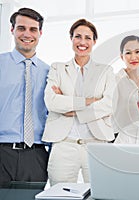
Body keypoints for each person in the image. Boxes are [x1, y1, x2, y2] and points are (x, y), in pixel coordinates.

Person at [42, 19, 115, 185]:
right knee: (60, 194)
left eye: (88, 38)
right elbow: (52, 102)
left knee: (101, 192)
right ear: (71, 39)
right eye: (78, 37)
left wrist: (69, 107)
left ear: (94, 41)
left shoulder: (106, 71)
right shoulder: (57, 68)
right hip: (64, 145)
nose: (82, 42)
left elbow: (109, 104)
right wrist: (91, 101)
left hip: (97, 144)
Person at [0, 8, 49, 184]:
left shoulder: (50, 72)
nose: (27, 34)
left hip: (36, 156)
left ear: (40, 33)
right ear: (12, 30)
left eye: (33, 29)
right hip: (2, 151)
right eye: (21, 28)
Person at [112, 35, 139, 134]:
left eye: (137, 52)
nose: (133, 57)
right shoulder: (115, 81)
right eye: (128, 53)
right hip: (119, 137)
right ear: (122, 57)